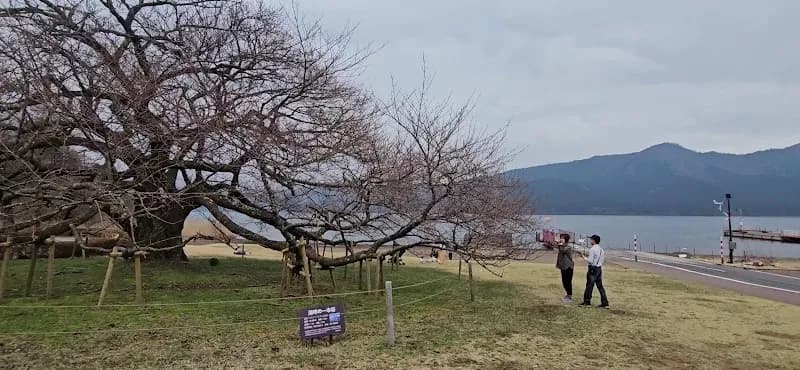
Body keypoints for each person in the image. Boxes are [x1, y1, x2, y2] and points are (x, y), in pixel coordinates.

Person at [581, 234, 609, 308]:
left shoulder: (593, 249)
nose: (590, 241)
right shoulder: (601, 250)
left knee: (589, 285)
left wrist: (584, 258)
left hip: (593, 268)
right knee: (600, 286)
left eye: (591, 240)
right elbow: (602, 260)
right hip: (599, 268)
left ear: (594, 240)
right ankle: (605, 303)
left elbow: (590, 260)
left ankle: (587, 302)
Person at [555, 233, 574, 303]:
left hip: (568, 266)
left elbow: (562, 250)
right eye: (560, 238)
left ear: (566, 239)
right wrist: (557, 243)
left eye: (562, 238)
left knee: (568, 282)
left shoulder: (568, 247)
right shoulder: (562, 246)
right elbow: (559, 248)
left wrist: (558, 243)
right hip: (563, 266)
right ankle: (568, 295)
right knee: (564, 282)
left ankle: (569, 297)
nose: (561, 239)